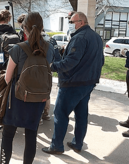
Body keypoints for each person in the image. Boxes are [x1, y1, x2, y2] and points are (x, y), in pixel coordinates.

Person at [42, 12, 104, 154]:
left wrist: (53, 66)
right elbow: (101, 61)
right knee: (81, 115)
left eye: (72, 22)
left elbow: (70, 62)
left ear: (81, 22)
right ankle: (77, 144)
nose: (71, 24)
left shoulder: (79, 38)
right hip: (88, 83)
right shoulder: (96, 37)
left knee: (60, 113)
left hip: (73, 83)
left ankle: (56, 146)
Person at [0, 12, 55, 164]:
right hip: (38, 99)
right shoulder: (49, 49)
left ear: (24, 29)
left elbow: (8, 78)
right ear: (42, 27)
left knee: (8, 134)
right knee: (31, 136)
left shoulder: (18, 49)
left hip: (17, 98)